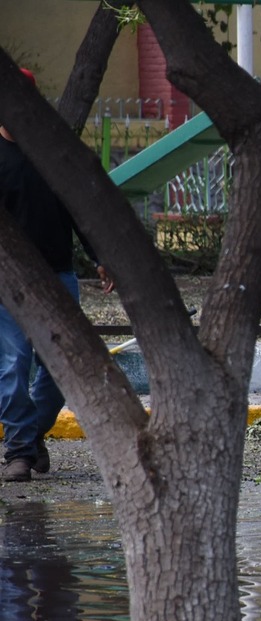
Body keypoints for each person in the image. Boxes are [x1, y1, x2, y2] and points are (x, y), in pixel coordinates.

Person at [0, 68, 111, 482]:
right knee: (12, 366)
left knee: (63, 367)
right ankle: (19, 452)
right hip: (8, 283)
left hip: (59, 275)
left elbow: (81, 210)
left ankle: (29, 436)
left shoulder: (54, 153)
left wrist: (100, 256)